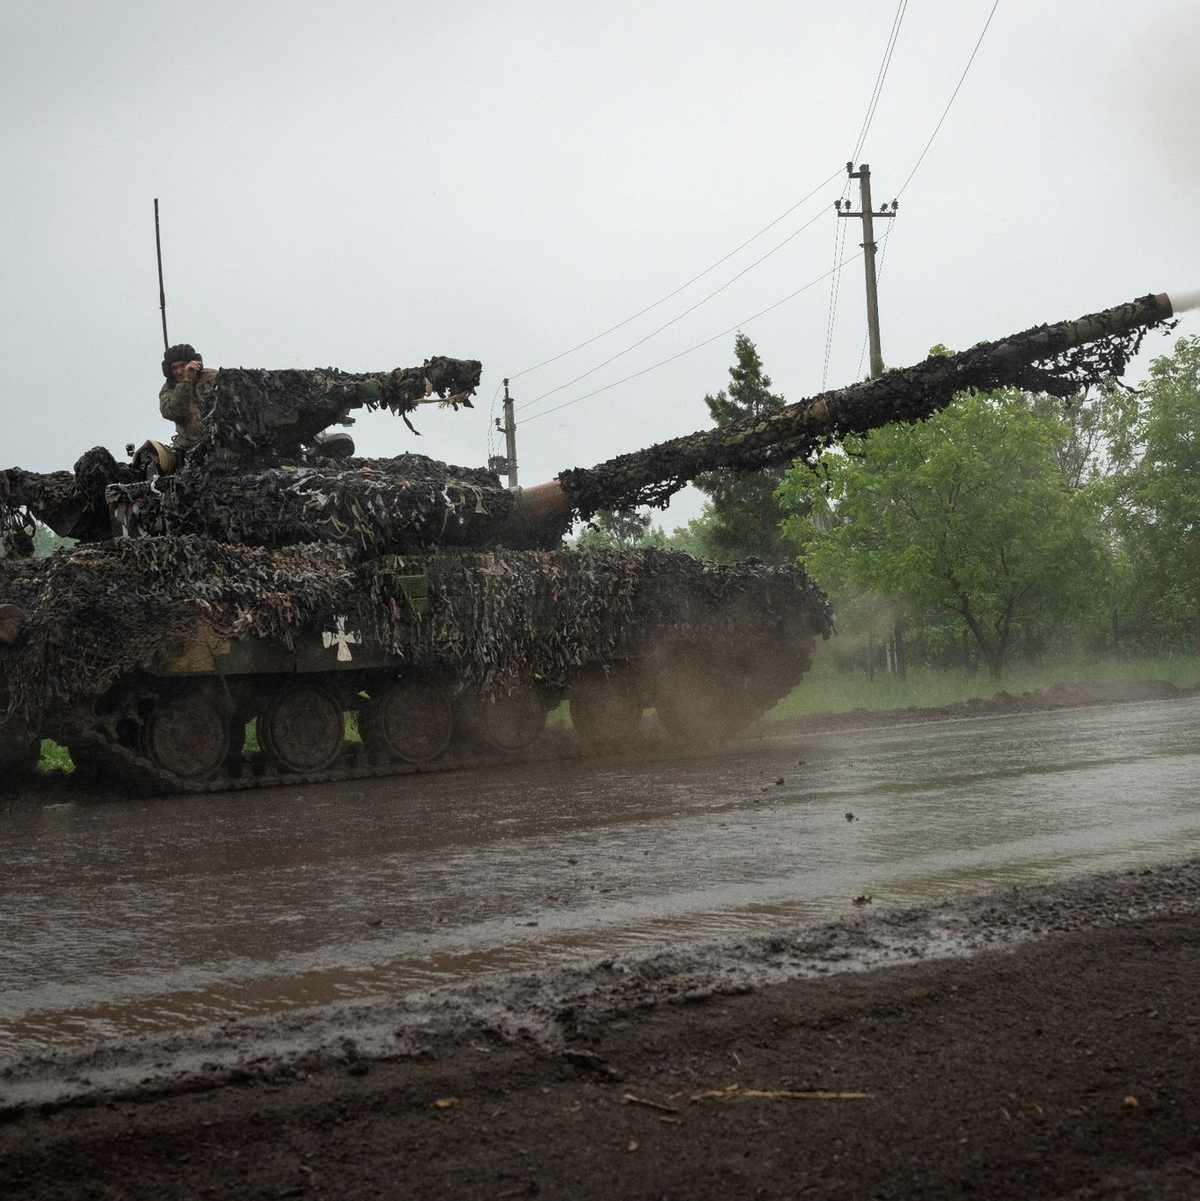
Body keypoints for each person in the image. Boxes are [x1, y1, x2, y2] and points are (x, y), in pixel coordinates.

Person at [158, 343, 217, 450]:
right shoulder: (169, 389)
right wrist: (186, 381)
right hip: (189, 447)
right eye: (174, 368)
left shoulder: (211, 378)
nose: (179, 371)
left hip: (218, 440)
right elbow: (175, 413)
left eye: (183, 365)